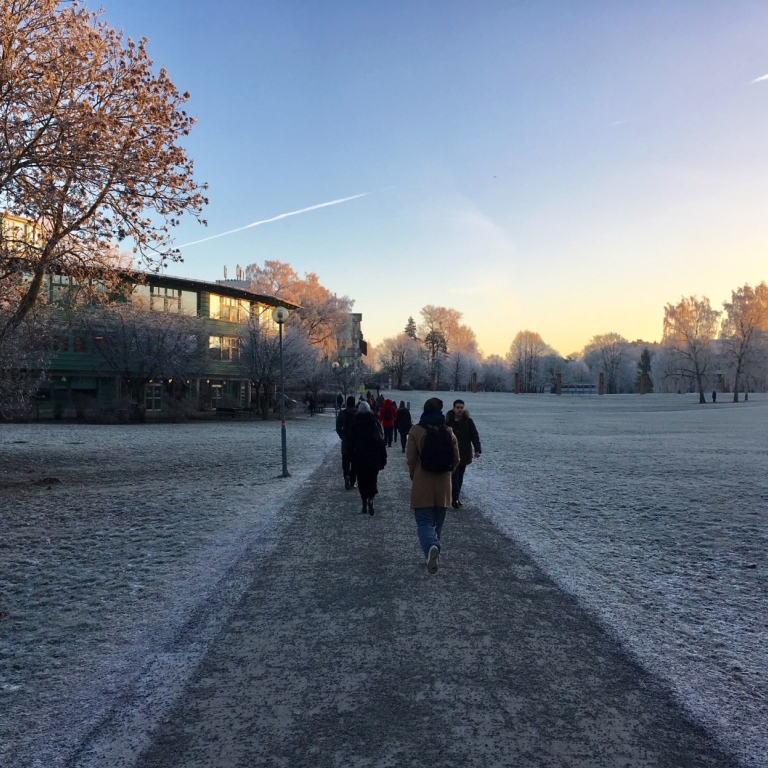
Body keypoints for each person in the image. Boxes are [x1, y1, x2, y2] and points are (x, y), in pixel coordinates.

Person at [406, 397, 460, 574]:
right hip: (443, 483)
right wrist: (448, 474)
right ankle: (433, 552)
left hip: (423, 481)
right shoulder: (448, 430)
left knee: (423, 522)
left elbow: (411, 458)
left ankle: (432, 546)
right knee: (437, 523)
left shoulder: (415, 430)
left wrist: (415, 475)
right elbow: (456, 459)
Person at [348, 401, 387, 515]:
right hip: (373, 456)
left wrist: (350, 456)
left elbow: (351, 442)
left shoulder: (355, 423)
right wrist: (383, 456)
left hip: (359, 456)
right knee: (372, 478)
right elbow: (380, 440)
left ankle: (364, 503)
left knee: (362, 480)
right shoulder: (374, 422)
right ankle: (371, 496)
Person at [445, 398, 482, 509]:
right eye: (458, 407)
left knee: (460, 477)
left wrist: (477, 450)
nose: (460, 410)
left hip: (464, 453)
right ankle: (454, 499)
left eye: (461, 407)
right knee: (454, 477)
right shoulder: (448, 421)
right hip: (451, 454)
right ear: (453, 408)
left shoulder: (468, 421)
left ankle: (455, 498)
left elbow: (474, 435)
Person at [335, 395, 358, 490]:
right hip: (356, 442)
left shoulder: (342, 413)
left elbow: (338, 427)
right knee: (355, 462)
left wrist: (342, 435)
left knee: (345, 460)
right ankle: (352, 482)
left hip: (346, 441)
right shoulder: (357, 413)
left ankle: (346, 476)